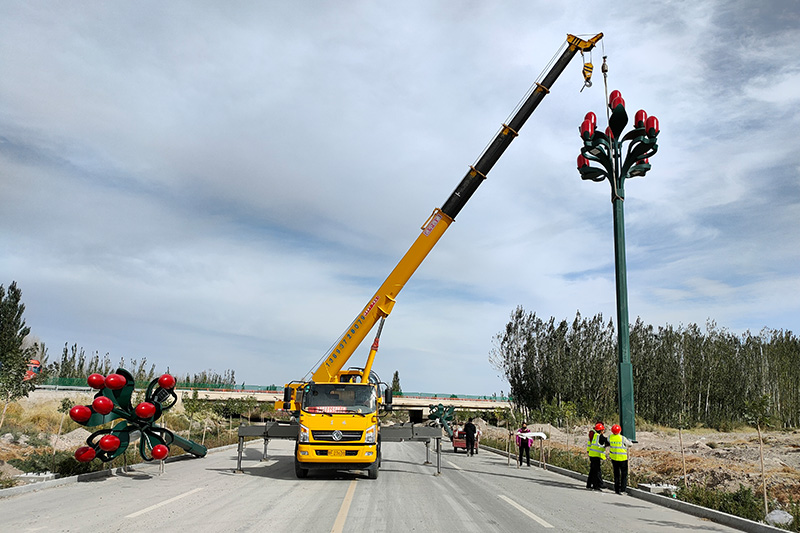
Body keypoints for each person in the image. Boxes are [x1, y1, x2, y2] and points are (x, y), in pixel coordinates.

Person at [608, 424, 632, 494]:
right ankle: (623, 490)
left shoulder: (610, 437)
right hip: (622, 459)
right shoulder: (622, 438)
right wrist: (629, 441)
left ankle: (616, 489)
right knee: (624, 475)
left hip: (614, 459)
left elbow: (608, 441)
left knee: (616, 474)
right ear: (620, 430)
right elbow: (630, 444)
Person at [586, 422, 609, 491]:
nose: (603, 431)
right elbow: (606, 441)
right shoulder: (600, 436)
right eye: (603, 430)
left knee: (593, 470)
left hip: (592, 454)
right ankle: (597, 485)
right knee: (597, 471)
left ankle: (589, 484)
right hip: (596, 455)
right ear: (601, 430)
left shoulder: (595, 435)